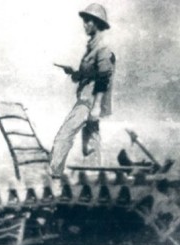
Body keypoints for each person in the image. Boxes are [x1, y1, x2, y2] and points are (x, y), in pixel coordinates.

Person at [49, 3, 116, 178]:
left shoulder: (102, 48)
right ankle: (94, 180)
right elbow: (90, 74)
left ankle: (54, 176)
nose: (84, 24)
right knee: (91, 142)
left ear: (97, 23)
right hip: (89, 101)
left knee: (64, 136)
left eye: (88, 21)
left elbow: (103, 79)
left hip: (89, 102)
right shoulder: (92, 47)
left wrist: (96, 107)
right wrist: (74, 73)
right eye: (84, 21)